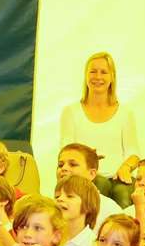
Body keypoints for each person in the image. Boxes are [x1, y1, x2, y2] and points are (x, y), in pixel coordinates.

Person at [58, 51, 139, 206]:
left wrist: (126, 167)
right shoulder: (71, 111)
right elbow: (65, 150)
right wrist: (86, 157)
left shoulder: (125, 113)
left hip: (118, 177)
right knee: (99, 185)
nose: (98, 77)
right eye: (93, 71)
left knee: (123, 193)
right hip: (84, 176)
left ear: (112, 77)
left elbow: (134, 153)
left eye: (104, 72)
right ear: (86, 76)